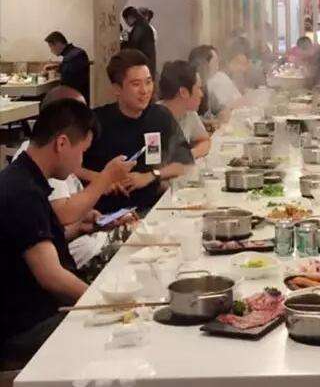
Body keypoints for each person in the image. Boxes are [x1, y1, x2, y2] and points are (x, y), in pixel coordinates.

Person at [0, 99, 101, 367]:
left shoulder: (23, 177)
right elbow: (51, 275)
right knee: (113, 334)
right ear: (62, 143)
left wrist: (76, 229)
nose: (81, 161)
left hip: (33, 313)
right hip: (24, 330)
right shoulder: (23, 192)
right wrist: (100, 300)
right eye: (82, 152)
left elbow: (30, 243)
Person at [12, 85, 134, 270]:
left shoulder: (43, 165)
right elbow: (63, 214)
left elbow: (51, 229)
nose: (82, 159)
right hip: (76, 262)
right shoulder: (29, 179)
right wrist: (106, 178)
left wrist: (84, 224)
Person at [83, 49, 193, 214]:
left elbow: (186, 164)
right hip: (107, 214)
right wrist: (102, 180)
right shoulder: (96, 121)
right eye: (136, 84)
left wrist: (151, 175)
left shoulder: (160, 116)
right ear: (117, 89)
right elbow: (71, 168)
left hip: (153, 210)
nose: (145, 90)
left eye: (148, 82)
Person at [159, 60, 210, 159]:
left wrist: (191, 154)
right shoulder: (154, 118)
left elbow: (205, 140)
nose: (201, 94)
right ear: (183, 92)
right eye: (198, 88)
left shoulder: (189, 113)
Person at [190, 44, 244, 122]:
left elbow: (221, 110)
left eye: (218, 61)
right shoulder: (195, 84)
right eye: (215, 62)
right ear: (205, 64)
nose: (217, 66)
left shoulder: (214, 80)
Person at [44, 31, 91, 104]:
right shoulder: (78, 52)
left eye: (51, 46)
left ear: (58, 43)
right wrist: (58, 67)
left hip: (75, 101)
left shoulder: (70, 58)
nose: (51, 50)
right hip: (83, 96)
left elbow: (66, 84)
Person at [122, 6, 156, 77]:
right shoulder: (143, 25)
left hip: (143, 64)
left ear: (130, 17)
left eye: (126, 20)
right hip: (147, 64)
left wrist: (124, 43)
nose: (126, 23)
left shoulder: (139, 27)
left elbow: (133, 45)